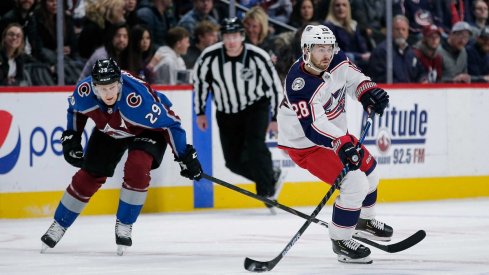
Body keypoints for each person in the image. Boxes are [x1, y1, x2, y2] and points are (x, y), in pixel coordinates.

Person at [40, 58, 203, 255]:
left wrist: (185, 156)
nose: (108, 93)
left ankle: (125, 223)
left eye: (112, 87)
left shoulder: (137, 100)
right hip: (111, 129)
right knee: (89, 174)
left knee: (137, 167)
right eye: (102, 88)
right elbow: (75, 111)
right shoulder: (84, 92)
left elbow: (171, 124)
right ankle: (59, 223)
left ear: (120, 84)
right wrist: (72, 137)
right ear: (93, 87)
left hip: (146, 131)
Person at [277, 24, 392, 264]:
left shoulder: (337, 60)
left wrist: (367, 92)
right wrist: (341, 142)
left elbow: (354, 79)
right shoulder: (299, 83)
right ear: (306, 50)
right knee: (354, 181)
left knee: (370, 170)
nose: (327, 54)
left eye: (329, 48)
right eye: (320, 49)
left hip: (335, 137)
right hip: (305, 144)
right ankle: (341, 241)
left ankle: (363, 220)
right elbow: (314, 126)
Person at [193, 17, 285, 212]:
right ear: (222, 37)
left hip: (255, 107)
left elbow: (275, 87)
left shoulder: (257, 56)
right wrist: (200, 112)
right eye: (227, 36)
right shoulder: (209, 57)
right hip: (226, 112)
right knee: (233, 162)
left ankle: (266, 192)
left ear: (242, 36)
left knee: (255, 145)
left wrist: (276, 117)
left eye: (235, 36)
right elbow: (201, 84)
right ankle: (271, 175)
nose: (231, 41)